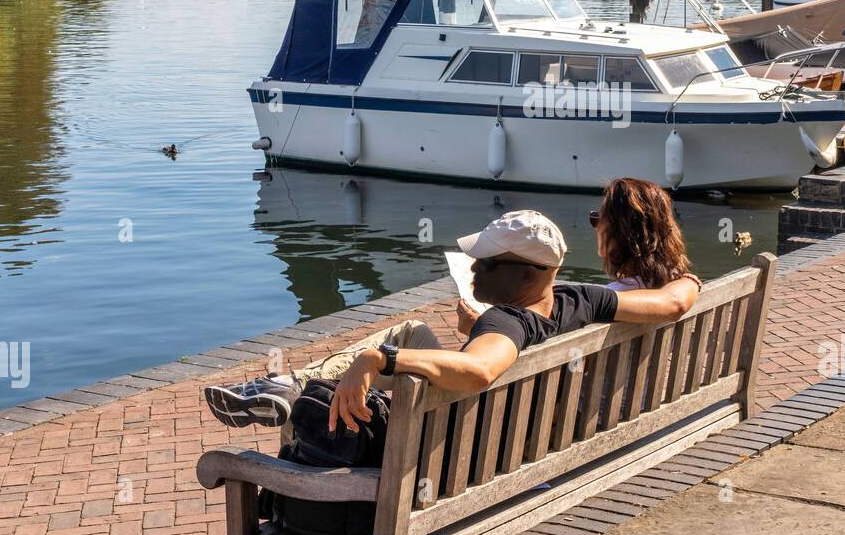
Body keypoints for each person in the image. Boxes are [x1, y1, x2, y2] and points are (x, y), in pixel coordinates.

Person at [203, 209, 701, 436]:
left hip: (465, 437)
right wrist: (694, 283)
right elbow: (675, 302)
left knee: (395, 345)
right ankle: (287, 385)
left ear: (523, 273)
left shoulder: (506, 323)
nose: (473, 269)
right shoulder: (585, 299)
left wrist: (379, 359)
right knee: (413, 328)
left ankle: (292, 390)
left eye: (483, 263)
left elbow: (482, 370)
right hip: (537, 424)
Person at [590, 177, 697, 293]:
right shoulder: (677, 281)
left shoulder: (613, 297)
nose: (597, 225)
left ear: (618, 234)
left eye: (600, 219)